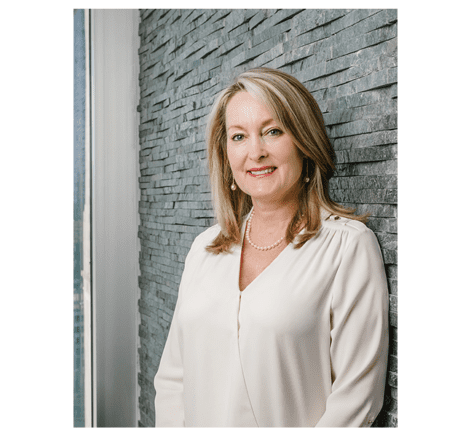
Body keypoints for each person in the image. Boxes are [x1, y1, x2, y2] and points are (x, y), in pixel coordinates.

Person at [154, 67, 389, 427]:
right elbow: (173, 379)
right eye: (238, 137)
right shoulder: (203, 249)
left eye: (273, 131)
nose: (256, 152)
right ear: (225, 153)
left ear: (304, 142)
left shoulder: (347, 247)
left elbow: (356, 397)